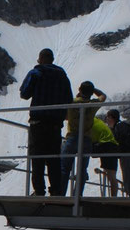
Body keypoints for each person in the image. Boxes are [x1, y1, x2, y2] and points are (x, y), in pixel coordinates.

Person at [20, 48, 73, 196]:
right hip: (55, 124)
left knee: (37, 158)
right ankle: (56, 190)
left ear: (41, 58)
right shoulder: (62, 75)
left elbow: (24, 93)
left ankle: (39, 190)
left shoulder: (36, 72)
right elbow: (69, 98)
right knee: (53, 159)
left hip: (38, 122)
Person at [60, 81, 106, 196]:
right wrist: (93, 90)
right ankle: (77, 195)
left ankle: (60, 195)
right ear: (90, 93)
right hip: (86, 139)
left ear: (80, 90)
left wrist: (78, 95)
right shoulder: (92, 104)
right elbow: (103, 96)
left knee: (64, 168)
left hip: (72, 138)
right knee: (82, 170)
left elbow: (65, 116)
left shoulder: (72, 102)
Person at [105, 109, 130, 196]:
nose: (106, 120)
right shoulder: (123, 125)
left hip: (127, 155)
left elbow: (120, 141)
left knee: (129, 176)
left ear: (111, 117)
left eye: (107, 117)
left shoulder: (119, 126)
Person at [91, 117, 119, 196]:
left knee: (111, 174)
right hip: (108, 144)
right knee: (110, 174)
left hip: (107, 145)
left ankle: (113, 198)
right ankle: (113, 197)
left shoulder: (88, 122)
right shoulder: (94, 120)